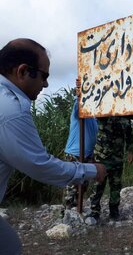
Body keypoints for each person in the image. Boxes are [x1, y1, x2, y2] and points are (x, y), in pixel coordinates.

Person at [0, 38, 106, 254]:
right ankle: (66, 219)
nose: (46, 84)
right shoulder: (12, 109)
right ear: (22, 71)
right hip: (77, 156)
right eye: (44, 76)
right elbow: (39, 165)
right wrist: (92, 170)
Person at [88, 116, 133, 222]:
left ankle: (114, 212)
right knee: (98, 186)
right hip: (101, 158)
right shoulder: (104, 112)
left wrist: (130, 151)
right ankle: (94, 212)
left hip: (117, 158)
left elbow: (129, 135)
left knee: (116, 186)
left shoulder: (125, 116)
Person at [63, 97, 98, 211]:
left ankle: (77, 212)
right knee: (72, 188)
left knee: (83, 186)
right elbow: (78, 104)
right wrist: (81, 93)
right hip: (74, 155)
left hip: (87, 156)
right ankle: (66, 215)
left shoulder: (93, 118)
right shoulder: (78, 113)